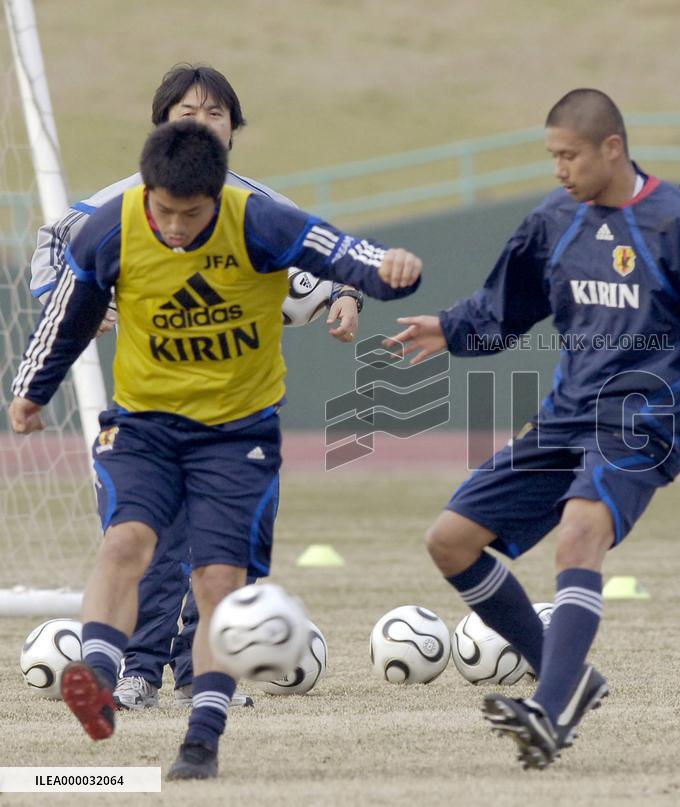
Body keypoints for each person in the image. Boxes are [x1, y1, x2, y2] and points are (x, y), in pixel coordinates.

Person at [8, 120, 422, 779]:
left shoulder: (258, 221)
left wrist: (389, 272)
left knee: (218, 581)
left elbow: (342, 253)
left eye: (190, 214)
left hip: (236, 434)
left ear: (217, 194)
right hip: (143, 426)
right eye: (164, 211)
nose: (174, 227)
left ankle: (201, 738)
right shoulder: (112, 228)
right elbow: (69, 312)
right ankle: (101, 683)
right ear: (148, 192)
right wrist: (31, 390)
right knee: (125, 544)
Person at [390, 89, 680, 770]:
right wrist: (449, 328)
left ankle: (550, 709)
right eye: (552, 156)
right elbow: (504, 306)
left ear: (612, 149)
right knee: (449, 543)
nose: (559, 168)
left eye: (569, 155)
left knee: (579, 533)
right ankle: (567, 679)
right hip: (567, 413)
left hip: (644, 417)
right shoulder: (553, 220)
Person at [30, 64, 366, 712]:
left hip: (237, 412)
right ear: (161, 123)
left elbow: (326, 258)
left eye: (215, 113)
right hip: (150, 410)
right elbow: (55, 250)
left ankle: (203, 677)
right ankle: (136, 670)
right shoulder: (121, 206)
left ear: (233, 130)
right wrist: (73, 307)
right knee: (147, 541)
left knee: (230, 554)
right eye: (187, 111)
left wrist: (345, 297)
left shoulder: (257, 211)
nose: (201, 122)